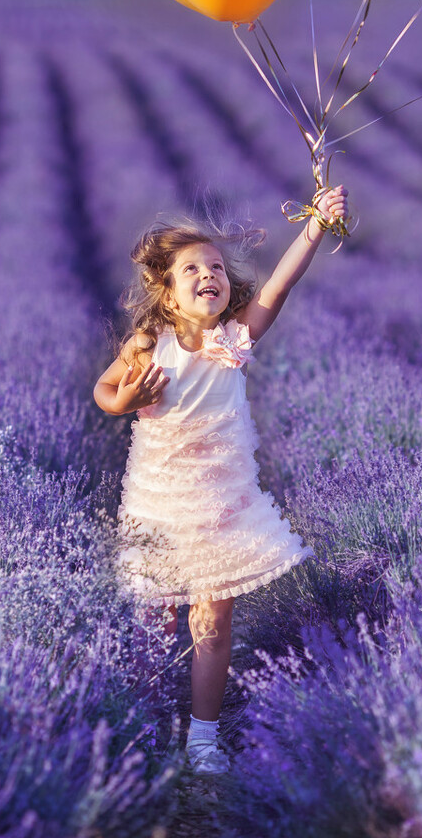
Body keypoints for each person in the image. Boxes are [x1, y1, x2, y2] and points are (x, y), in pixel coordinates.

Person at [94, 186, 349, 775]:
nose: (209, 276)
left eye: (216, 268)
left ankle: (203, 738)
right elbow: (104, 392)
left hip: (221, 507)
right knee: (155, 624)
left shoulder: (232, 340)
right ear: (167, 291)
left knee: (212, 625)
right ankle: (152, 723)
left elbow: (278, 287)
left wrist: (313, 226)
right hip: (157, 506)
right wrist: (127, 397)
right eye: (192, 270)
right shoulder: (146, 344)